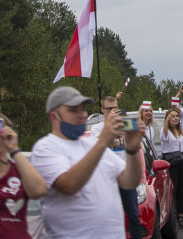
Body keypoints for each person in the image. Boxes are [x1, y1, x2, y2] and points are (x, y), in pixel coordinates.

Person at [31, 86, 144, 239]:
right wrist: (104, 140)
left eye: (83, 109)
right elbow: (68, 185)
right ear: (54, 116)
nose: (82, 115)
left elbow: (129, 181)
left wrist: (132, 150)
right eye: (73, 110)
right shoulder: (46, 147)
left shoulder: (91, 143)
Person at [90, 95, 145, 239]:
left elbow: (135, 147)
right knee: (108, 215)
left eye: (115, 108)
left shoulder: (125, 124)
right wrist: (110, 132)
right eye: (109, 109)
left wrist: (133, 133)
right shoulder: (97, 128)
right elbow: (96, 148)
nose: (113, 111)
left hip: (125, 175)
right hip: (106, 178)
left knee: (133, 215)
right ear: (102, 110)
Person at [161, 105, 183, 229]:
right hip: (172, 161)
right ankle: (171, 216)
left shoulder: (180, 131)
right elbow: (164, 136)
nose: (175, 118)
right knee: (173, 189)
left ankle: (180, 215)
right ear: (167, 118)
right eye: (172, 116)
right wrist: (167, 122)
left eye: (177, 116)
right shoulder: (165, 131)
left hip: (182, 159)